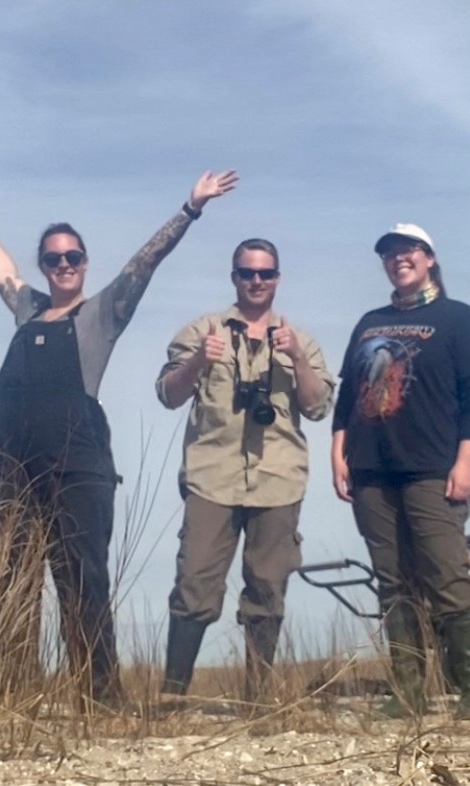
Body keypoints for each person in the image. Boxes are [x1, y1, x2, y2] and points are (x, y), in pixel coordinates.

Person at [0, 170, 240, 708]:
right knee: (9, 580)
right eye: (54, 259)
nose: (65, 265)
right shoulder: (27, 310)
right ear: (45, 266)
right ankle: (9, 697)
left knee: (81, 579)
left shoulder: (102, 312)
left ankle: (100, 696)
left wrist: (190, 209)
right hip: (9, 464)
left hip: (78, 465)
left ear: (85, 263)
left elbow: (146, 263)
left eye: (73, 257)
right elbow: (2, 271)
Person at [154, 238, 335, 704]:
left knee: (267, 589)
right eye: (247, 273)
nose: (257, 282)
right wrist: (199, 361)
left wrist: (294, 356)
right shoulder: (201, 330)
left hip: (278, 480)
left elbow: (318, 407)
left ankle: (257, 700)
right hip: (212, 478)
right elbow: (168, 395)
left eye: (266, 273)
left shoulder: (301, 339)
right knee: (194, 583)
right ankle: (173, 695)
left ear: (278, 278)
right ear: (233, 276)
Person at [331, 223, 470, 720]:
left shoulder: (457, 317)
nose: (399, 258)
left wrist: (465, 461)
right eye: (390, 253)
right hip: (371, 470)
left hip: (432, 467)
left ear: (429, 258)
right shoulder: (369, 321)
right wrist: (338, 451)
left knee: (446, 576)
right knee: (393, 581)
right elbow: (347, 397)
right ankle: (407, 691)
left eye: (409, 251)